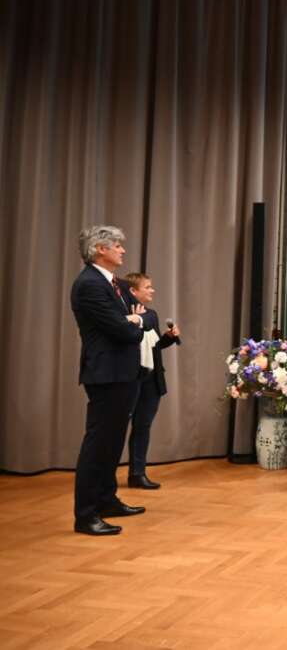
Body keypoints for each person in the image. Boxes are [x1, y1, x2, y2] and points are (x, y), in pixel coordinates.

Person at [70, 225, 147, 535]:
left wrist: (135, 319)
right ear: (100, 249)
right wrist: (134, 322)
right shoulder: (89, 284)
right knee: (98, 444)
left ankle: (106, 500)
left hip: (123, 372)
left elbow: (143, 317)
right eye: (117, 245)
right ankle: (86, 515)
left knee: (113, 442)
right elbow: (123, 330)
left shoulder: (114, 283)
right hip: (106, 374)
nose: (123, 250)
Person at [124, 272, 181, 489]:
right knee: (116, 428)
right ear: (133, 291)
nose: (152, 290)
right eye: (147, 287)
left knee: (143, 426)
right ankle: (104, 476)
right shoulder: (120, 314)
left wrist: (169, 337)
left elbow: (153, 346)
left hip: (151, 380)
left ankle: (137, 474)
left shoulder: (152, 315)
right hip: (129, 379)